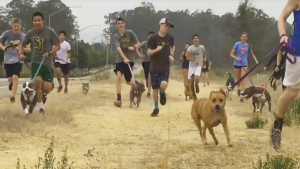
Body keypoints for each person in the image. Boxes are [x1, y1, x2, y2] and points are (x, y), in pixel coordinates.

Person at [271, 0, 300, 150]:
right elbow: (282, 17)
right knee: (292, 93)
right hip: (297, 53)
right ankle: (277, 126)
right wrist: (283, 36)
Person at [19, 12, 60, 113]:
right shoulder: (30, 33)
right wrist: (21, 53)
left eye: (39, 20)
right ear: (33, 22)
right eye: (35, 20)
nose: (37, 22)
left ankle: (43, 94)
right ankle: (41, 107)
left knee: (47, 88)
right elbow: (21, 45)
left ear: (43, 21)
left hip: (47, 63)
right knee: (37, 83)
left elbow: (58, 46)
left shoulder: (50, 32)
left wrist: (50, 52)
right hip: (35, 62)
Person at [147, 18, 175, 117]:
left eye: (169, 26)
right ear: (160, 25)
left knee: (164, 84)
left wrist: (171, 55)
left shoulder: (170, 38)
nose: (167, 28)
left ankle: (162, 92)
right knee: (155, 89)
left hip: (165, 66)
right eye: (166, 25)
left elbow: (172, 47)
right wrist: (156, 50)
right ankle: (156, 107)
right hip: (154, 67)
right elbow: (148, 52)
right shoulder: (153, 38)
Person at [0, 18, 30, 103]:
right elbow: (0, 42)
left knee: (15, 77)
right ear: (12, 26)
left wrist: (22, 49)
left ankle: (12, 96)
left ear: (20, 26)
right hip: (8, 60)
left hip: (18, 60)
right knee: (10, 79)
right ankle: (12, 84)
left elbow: (29, 49)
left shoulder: (23, 36)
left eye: (17, 26)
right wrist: (3, 47)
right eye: (14, 26)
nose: (16, 27)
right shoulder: (6, 34)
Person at [113, 17, 140, 107]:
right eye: (118, 24)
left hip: (130, 60)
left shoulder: (130, 33)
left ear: (124, 24)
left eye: (122, 23)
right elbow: (119, 49)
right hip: (120, 60)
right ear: (117, 25)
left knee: (129, 81)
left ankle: (138, 87)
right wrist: (124, 58)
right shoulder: (116, 37)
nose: (120, 25)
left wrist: (134, 47)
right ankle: (118, 98)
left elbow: (138, 44)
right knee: (119, 77)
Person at [230, 32, 258, 102]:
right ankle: (238, 89)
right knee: (238, 80)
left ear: (246, 38)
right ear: (241, 38)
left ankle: (242, 95)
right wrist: (236, 58)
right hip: (237, 63)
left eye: (245, 37)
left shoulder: (248, 46)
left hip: (244, 64)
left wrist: (256, 61)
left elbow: (252, 53)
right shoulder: (237, 44)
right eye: (243, 37)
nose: (244, 38)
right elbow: (231, 54)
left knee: (243, 79)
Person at [185, 34, 207, 100]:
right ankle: (191, 93)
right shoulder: (190, 48)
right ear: (193, 40)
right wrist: (193, 60)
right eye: (194, 38)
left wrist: (205, 59)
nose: (196, 39)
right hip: (192, 65)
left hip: (199, 65)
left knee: (196, 78)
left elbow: (205, 54)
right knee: (189, 81)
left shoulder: (202, 47)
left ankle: (196, 85)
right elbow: (187, 57)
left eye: (197, 38)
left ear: (199, 39)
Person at [137, 31, 155, 97]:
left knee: (151, 76)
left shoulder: (155, 44)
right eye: (150, 36)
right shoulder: (145, 43)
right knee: (147, 78)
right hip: (146, 61)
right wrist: (140, 55)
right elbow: (137, 49)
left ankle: (149, 91)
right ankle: (149, 88)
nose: (151, 37)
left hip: (153, 61)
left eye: (152, 36)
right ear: (148, 36)